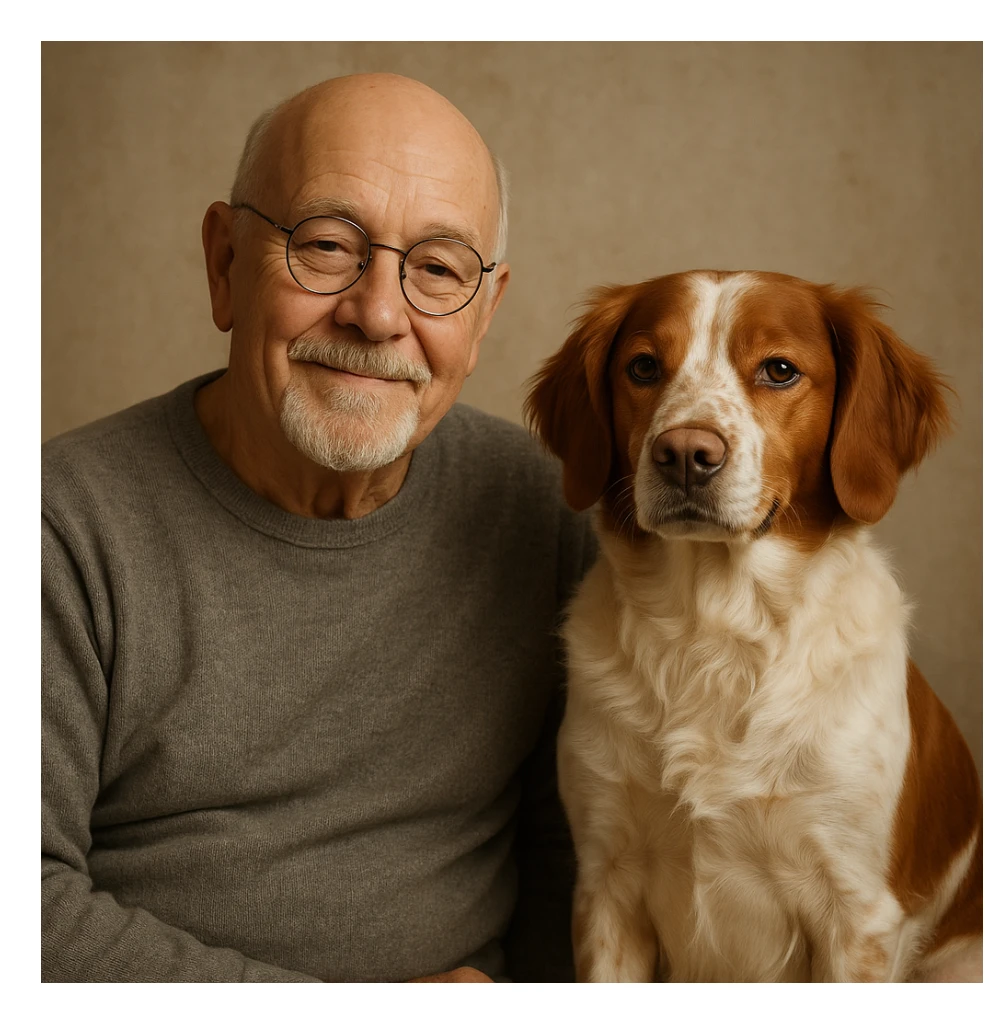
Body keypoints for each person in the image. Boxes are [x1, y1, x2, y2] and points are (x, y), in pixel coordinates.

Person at [41, 73, 594, 983]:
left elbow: (571, 860)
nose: (378, 314)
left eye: (439, 269)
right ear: (224, 264)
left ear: (485, 312)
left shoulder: (543, 517)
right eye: (327, 246)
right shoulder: (56, 528)